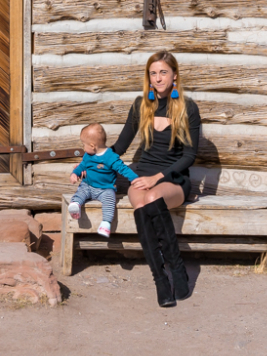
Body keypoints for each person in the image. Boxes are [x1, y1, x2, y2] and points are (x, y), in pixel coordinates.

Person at [112, 51, 201, 308]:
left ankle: (177, 269)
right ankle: (161, 280)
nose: (158, 78)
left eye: (163, 72)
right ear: (148, 78)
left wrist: (157, 178)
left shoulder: (187, 107)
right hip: (142, 174)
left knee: (152, 198)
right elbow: (120, 146)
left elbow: (190, 155)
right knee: (141, 204)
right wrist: (90, 162)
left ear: (174, 76)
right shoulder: (141, 105)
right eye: (153, 73)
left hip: (173, 177)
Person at [67, 122, 139, 238]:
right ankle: (75, 205)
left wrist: (135, 178)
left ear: (92, 145)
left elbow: (123, 169)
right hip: (88, 185)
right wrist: (74, 174)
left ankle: (106, 223)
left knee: (110, 201)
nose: (83, 147)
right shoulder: (87, 155)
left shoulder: (111, 157)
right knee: (80, 192)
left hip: (105, 189)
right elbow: (82, 166)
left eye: (83, 144)